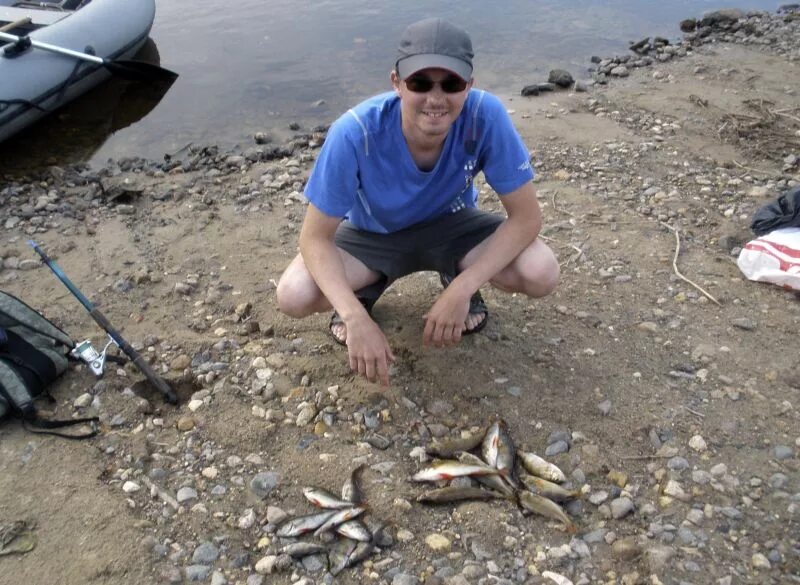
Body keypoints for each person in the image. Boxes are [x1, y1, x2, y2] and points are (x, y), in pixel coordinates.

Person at [277, 17, 559, 386]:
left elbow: (526, 218)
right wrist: (353, 317)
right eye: (421, 83)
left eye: (452, 84)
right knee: (294, 294)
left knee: (541, 272)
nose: (436, 99)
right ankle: (362, 294)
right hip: (372, 236)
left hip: (453, 228)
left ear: (469, 86)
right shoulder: (355, 132)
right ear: (397, 83)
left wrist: (464, 287)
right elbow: (314, 238)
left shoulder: (484, 115)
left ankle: (452, 275)